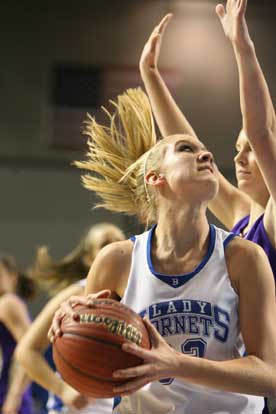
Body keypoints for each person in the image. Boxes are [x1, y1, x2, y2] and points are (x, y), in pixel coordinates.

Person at [48, 87, 276, 414]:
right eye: (187, 149)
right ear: (156, 177)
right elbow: (88, 346)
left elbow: (269, 374)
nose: (208, 156)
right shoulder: (117, 260)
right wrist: (68, 322)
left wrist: (176, 364)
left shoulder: (243, 258)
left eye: (208, 152)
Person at [138, 3, 276, 412]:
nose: (238, 158)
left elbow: (261, 128)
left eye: (250, 151)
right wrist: (152, 77)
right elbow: (187, 149)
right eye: (235, 149)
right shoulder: (244, 216)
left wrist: (241, 45)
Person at [16, 223, 125, 414]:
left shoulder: (137, 291)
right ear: (89, 259)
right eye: (105, 244)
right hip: (77, 407)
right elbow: (26, 351)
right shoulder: (77, 293)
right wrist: (62, 389)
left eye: (119, 242)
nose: (114, 249)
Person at [0, 253, 36, 414]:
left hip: (8, 401)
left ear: (12, 278)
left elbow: (31, 351)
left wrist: (13, 397)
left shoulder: (8, 303)